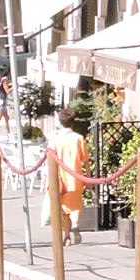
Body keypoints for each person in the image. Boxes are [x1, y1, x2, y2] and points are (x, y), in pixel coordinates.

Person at [43, 105, 90, 249]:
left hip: (59, 178)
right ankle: (75, 224)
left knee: (63, 210)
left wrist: (46, 180)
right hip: (75, 176)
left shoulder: (55, 139)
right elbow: (85, 160)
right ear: (73, 121)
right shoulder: (78, 138)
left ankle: (67, 236)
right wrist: (87, 177)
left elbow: (49, 161)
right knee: (75, 206)